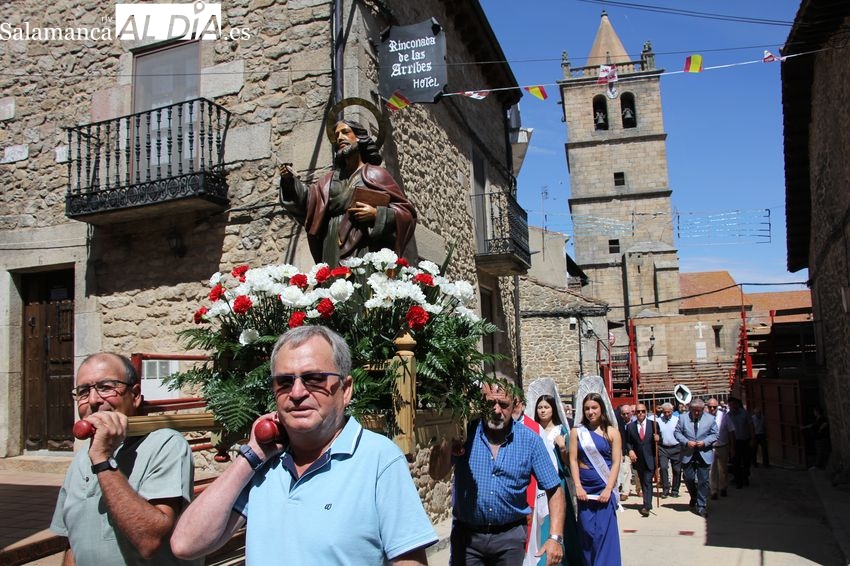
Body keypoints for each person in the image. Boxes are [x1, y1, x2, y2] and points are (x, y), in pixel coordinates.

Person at [170, 326, 437, 564]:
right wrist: (250, 457)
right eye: (284, 382)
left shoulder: (378, 458)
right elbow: (186, 544)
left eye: (314, 379)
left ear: (345, 390)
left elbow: (408, 560)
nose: (297, 393)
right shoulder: (263, 465)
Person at [51, 353, 199, 566]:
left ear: (136, 395)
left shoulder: (165, 445)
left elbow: (149, 540)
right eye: (83, 392)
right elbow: (74, 544)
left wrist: (103, 459)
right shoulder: (81, 460)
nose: (93, 400)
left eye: (106, 387)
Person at [429, 380, 566, 566]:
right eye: (489, 403)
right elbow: (436, 473)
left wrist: (555, 537)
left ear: (515, 404)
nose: (496, 410)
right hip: (468, 538)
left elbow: (554, 489)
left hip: (509, 540)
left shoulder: (530, 441)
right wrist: (446, 440)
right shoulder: (464, 435)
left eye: (503, 405)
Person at [279, 119, 417, 266]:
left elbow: (407, 214)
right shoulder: (329, 180)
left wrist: (377, 214)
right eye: (337, 135)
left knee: (363, 282)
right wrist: (289, 181)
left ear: (359, 138)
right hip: (332, 243)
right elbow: (309, 202)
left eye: (345, 132)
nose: (339, 138)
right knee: (333, 284)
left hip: (364, 244)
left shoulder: (376, 174)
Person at [528, 390, 582, 566]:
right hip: (536, 483)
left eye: (546, 407)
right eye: (540, 408)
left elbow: (568, 462)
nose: (542, 411)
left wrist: (563, 449)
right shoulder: (532, 429)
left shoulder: (562, 430)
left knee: (559, 518)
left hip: (557, 480)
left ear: (553, 409)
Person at [568, 392, 622, 565]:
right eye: (587, 409)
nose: (590, 412)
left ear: (601, 409)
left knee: (604, 536)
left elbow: (616, 463)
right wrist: (577, 485)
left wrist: (608, 488)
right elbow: (573, 459)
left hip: (604, 490)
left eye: (594, 408)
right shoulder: (577, 432)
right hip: (585, 491)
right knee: (587, 534)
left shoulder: (612, 432)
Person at [674, 398, 718, 518]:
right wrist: (686, 442)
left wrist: (705, 442)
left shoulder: (710, 418)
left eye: (699, 410)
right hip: (688, 452)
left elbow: (715, 434)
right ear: (690, 409)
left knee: (704, 481)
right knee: (688, 478)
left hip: (704, 452)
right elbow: (677, 433)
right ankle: (694, 495)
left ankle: (701, 505)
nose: (697, 413)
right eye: (695, 411)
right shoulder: (683, 418)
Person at [625, 403, 658, 517]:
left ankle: (647, 505)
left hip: (650, 458)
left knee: (648, 481)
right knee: (643, 481)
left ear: (646, 412)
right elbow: (628, 442)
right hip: (638, 459)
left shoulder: (653, 424)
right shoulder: (630, 427)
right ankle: (647, 502)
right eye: (638, 411)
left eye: (643, 411)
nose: (640, 413)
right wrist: (630, 451)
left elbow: (660, 441)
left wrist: (658, 438)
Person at [708, 398, 735, 500]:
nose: (712, 409)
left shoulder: (724, 416)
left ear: (717, 406)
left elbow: (731, 431)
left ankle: (723, 487)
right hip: (710, 447)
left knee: (723, 469)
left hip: (723, 446)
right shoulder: (705, 417)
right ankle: (713, 490)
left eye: (714, 407)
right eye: (710, 407)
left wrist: (732, 447)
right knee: (711, 469)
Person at [726, 397, 754, 488]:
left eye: (733, 404)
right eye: (730, 405)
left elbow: (751, 426)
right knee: (735, 462)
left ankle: (746, 477)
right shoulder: (728, 416)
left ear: (737, 404)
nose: (732, 407)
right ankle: (738, 480)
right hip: (734, 442)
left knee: (746, 461)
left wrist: (753, 439)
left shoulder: (744, 413)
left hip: (745, 440)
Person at [656, 402, 682, 498]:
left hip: (676, 447)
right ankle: (665, 489)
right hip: (663, 448)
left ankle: (675, 490)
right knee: (663, 468)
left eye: (669, 412)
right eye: (665, 412)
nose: (667, 414)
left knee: (677, 470)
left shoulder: (677, 420)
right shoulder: (658, 420)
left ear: (672, 411)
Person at [616, 404, 634, 502]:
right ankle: (625, 492)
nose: (626, 415)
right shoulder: (619, 424)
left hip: (637, 450)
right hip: (625, 451)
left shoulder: (635, 423)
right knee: (626, 471)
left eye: (628, 413)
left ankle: (640, 489)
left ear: (631, 413)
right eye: (624, 414)